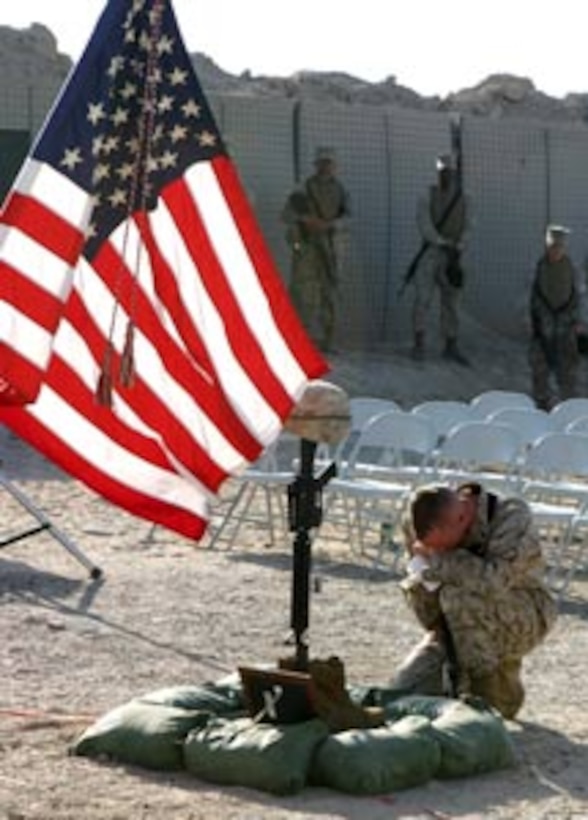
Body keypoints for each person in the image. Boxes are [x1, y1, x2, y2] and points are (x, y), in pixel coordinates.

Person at [391, 482, 558, 719]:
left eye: (444, 546)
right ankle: (460, 671)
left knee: (458, 595)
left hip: (523, 610)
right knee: (399, 698)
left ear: (463, 519)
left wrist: (439, 561)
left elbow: (494, 581)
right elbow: (423, 580)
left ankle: (489, 698)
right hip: (452, 625)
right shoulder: (419, 518)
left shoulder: (511, 518)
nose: (437, 551)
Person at [281, 147, 351, 352]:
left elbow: (349, 218)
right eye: (322, 163)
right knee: (302, 294)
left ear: (334, 166)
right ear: (316, 165)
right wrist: (305, 219)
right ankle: (299, 340)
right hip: (306, 248)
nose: (325, 167)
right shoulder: (302, 188)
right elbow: (286, 215)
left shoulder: (341, 191)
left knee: (329, 294)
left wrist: (330, 225)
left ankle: (327, 340)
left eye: (328, 163)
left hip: (330, 248)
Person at [411, 154, 473, 366]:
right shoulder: (427, 195)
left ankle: (451, 344)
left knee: (452, 302)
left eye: (449, 173)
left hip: (453, 255)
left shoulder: (465, 197)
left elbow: (469, 224)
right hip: (431, 252)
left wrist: (458, 245)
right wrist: (440, 241)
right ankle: (419, 342)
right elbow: (424, 223)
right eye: (442, 173)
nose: (446, 176)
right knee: (423, 299)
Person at [528, 224, 587, 410]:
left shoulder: (572, 269)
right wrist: (535, 325)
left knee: (568, 374)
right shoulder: (537, 268)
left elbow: (579, 298)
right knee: (540, 371)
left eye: (559, 247)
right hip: (543, 329)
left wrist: (579, 324)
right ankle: (542, 405)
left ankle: (569, 409)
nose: (556, 250)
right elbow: (529, 299)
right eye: (553, 246)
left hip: (566, 329)